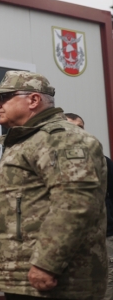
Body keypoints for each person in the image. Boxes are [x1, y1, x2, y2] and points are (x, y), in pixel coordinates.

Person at [0, 71, 107, 299]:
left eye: (3, 98)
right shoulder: (27, 139)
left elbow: (75, 205)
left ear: (34, 100)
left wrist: (47, 263)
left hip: (59, 280)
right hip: (25, 276)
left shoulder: (62, 138)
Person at [65, 113, 113, 300]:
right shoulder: (47, 160)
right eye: (72, 126)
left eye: (81, 126)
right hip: (67, 240)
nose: (78, 131)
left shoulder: (102, 160)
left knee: (107, 283)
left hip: (104, 237)